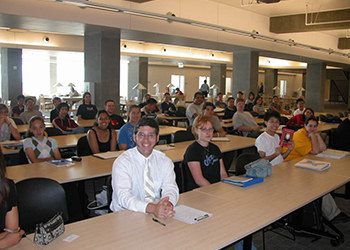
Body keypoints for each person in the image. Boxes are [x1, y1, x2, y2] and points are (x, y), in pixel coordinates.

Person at [110, 117, 179, 219]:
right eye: (141, 135)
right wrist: (152, 208)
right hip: (127, 214)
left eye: (150, 135)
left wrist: (168, 203)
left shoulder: (164, 161)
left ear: (157, 138)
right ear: (134, 137)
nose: (146, 140)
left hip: (157, 212)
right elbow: (123, 197)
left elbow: (170, 187)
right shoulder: (122, 162)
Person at [284, 116, 346, 222]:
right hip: (290, 166)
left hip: (302, 163)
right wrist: (313, 136)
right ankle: (332, 214)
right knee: (318, 185)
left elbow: (323, 149)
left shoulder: (309, 133)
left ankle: (331, 211)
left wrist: (316, 135)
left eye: (315, 126)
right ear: (304, 126)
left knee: (322, 181)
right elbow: (316, 151)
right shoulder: (300, 135)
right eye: (310, 126)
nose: (312, 128)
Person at [183, 114, 228, 191]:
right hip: (200, 191)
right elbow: (199, 180)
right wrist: (214, 191)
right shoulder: (192, 150)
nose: (208, 132)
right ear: (196, 131)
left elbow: (223, 173)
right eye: (204, 129)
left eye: (210, 129)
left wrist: (225, 187)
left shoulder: (215, 148)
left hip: (216, 188)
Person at [0, 149, 25, 248]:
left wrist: (8, 239)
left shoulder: (7, 186)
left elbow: (12, 231)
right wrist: (4, 242)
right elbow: (9, 238)